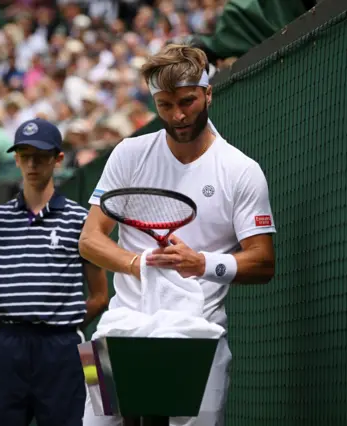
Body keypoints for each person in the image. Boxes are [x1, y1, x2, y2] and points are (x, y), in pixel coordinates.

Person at [78, 44, 277, 426]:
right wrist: (137, 264)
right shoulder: (127, 154)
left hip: (200, 336)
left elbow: (263, 261)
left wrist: (201, 263)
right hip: (119, 328)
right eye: (165, 105)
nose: (178, 115)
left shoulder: (241, 170)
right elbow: (90, 239)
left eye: (187, 101)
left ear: (208, 93)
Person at [0, 118, 109, 426]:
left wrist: (61, 321)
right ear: (15, 158)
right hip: (9, 346)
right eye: (25, 155)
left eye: (41, 156)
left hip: (63, 350)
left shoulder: (78, 219)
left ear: (58, 159)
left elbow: (100, 296)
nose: (32, 164)